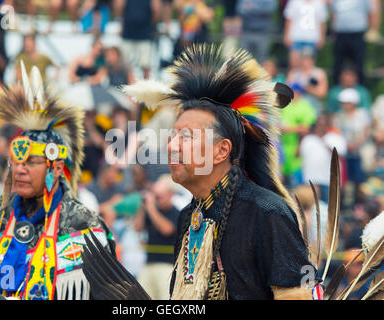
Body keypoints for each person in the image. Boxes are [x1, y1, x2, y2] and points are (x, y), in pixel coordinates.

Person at [124, 44, 317, 300]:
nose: (171, 145)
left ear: (221, 150)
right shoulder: (188, 216)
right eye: (172, 136)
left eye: (186, 136)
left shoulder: (267, 212)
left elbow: (298, 293)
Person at [0, 62, 115, 300]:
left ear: (55, 168)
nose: (19, 170)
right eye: (15, 161)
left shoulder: (87, 228)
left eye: (31, 162)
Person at [134, 174, 180, 300]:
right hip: (148, 264)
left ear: (171, 194)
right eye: (155, 195)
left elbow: (167, 229)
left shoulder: (176, 212)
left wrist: (150, 207)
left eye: (159, 196)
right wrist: (142, 207)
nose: (156, 199)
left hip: (167, 266)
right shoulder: (152, 210)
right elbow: (137, 227)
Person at [333, 88, 372, 206]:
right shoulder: (339, 116)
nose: (344, 105)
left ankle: (361, 203)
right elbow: (337, 132)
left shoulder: (362, 114)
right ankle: (348, 204)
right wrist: (346, 145)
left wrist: (356, 144)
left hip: (360, 151)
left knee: (361, 179)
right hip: (346, 152)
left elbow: (366, 131)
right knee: (347, 180)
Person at [299, 114, 347, 202]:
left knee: (329, 209)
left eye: (323, 125)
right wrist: (301, 136)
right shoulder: (308, 139)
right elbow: (298, 155)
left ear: (328, 125)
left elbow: (340, 155)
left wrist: (324, 141)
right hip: (311, 179)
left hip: (330, 180)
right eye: (319, 125)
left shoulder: (336, 138)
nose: (320, 127)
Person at [280, 83, 317, 189]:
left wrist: (288, 129)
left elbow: (306, 129)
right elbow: (277, 126)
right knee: (283, 183)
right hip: (283, 148)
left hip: (298, 148)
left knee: (297, 183)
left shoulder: (306, 106)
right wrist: (297, 128)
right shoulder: (285, 104)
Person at [330, 0, 376, 85]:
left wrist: (372, 29)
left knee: (359, 65)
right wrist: (333, 29)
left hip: (357, 34)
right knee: (338, 65)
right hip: (341, 34)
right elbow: (334, 13)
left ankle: (360, 90)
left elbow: (371, 12)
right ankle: (336, 89)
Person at [114, 0, 162, 79]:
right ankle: (132, 84)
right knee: (128, 64)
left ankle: (144, 86)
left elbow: (156, 9)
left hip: (142, 32)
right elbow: (119, 6)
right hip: (132, 32)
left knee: (144, 65)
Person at [283, 0, 328, 66]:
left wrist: (322, 37)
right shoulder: (294, 2)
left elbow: (322, 22)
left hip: (312, 38)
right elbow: (289, 19)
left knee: (308, 66)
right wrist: (286, 35)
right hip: (296, 37)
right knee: (294, 65)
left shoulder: (319, 3)